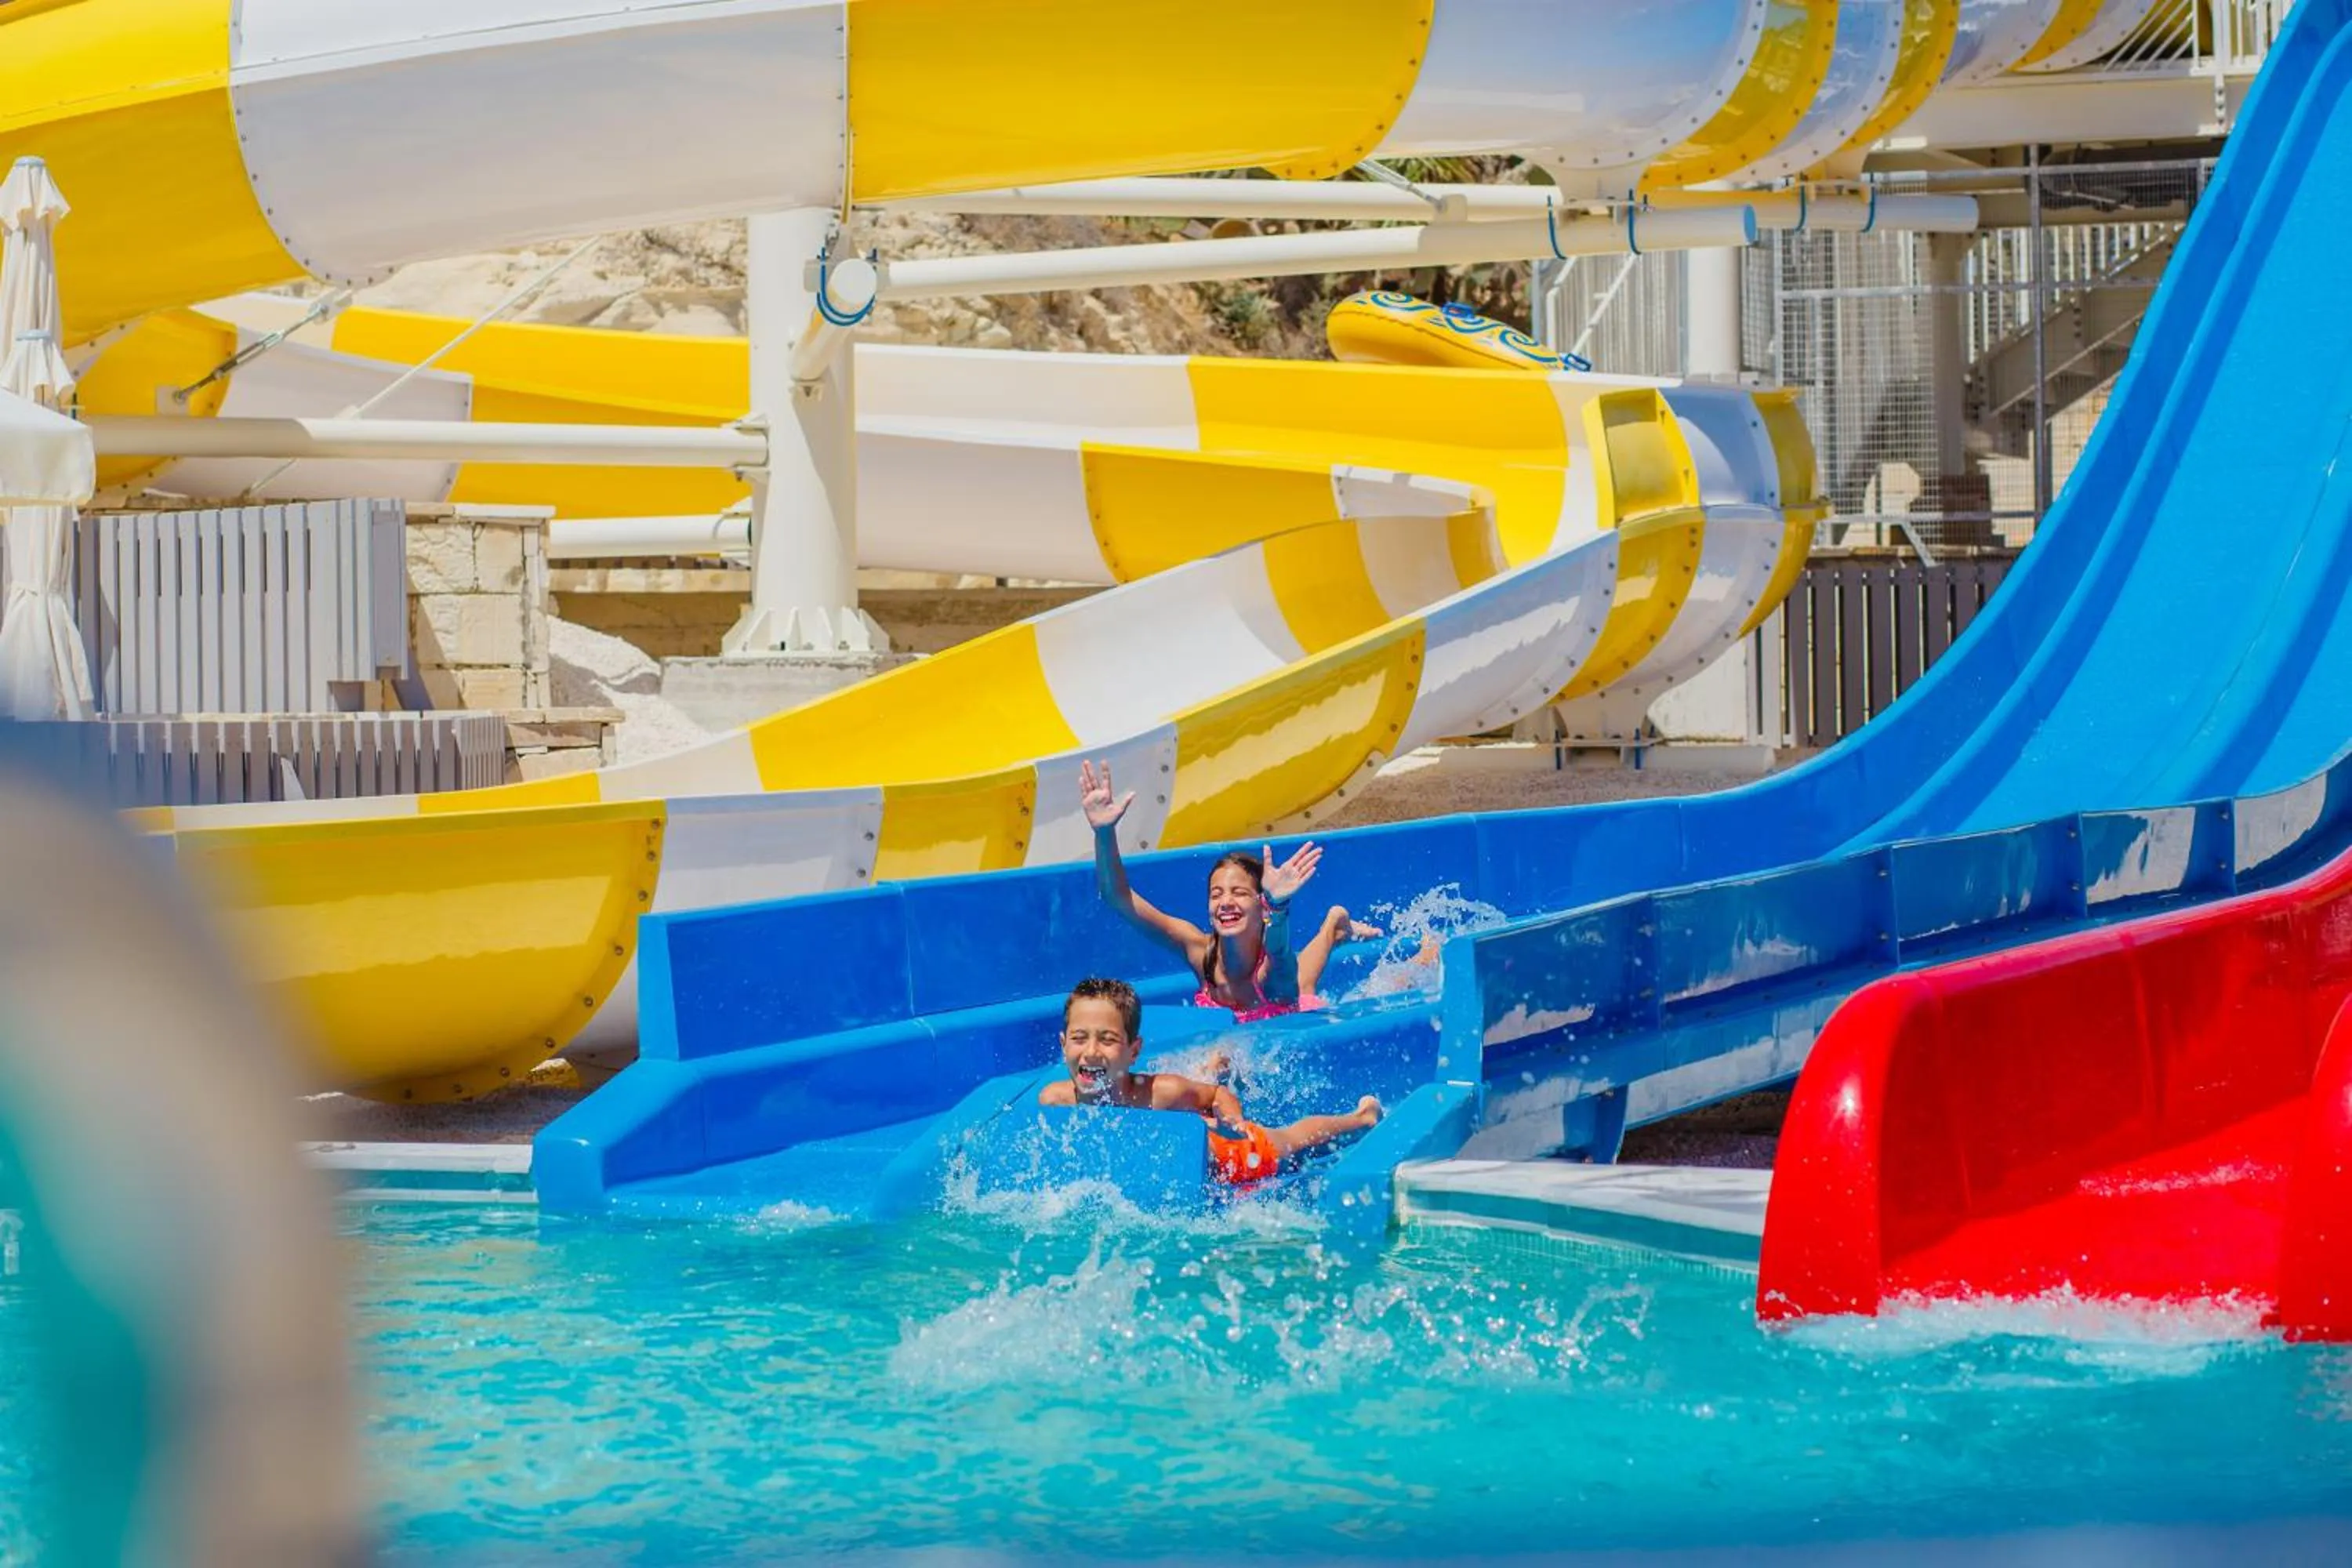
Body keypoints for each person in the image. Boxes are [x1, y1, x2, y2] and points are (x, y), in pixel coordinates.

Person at [1079, 758, 1378, 1019]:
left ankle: (1332, 928)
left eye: (1239, 893)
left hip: (1287, 1013)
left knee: (1303, 987)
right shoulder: (1198, 951)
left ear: (1261, 907)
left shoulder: (1272, 973)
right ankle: (1336, 926)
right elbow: (1117, 897)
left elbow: (1278, 948)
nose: (1225, 902)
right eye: (1216, 894)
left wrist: (1277, 905)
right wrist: (1104, 832)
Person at [1038, 978, 1383, 1186]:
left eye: (1108, 1040)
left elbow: (1216, 1095)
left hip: (1226, 1155)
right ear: (1063, 1044)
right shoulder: (1054, 1101)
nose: (1091, 1052)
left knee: (1289, 1142)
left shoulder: (1160, 1094)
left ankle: (1361, 1118)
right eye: (1079, 1038)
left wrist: (1233, 1122)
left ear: (1134, 1051)